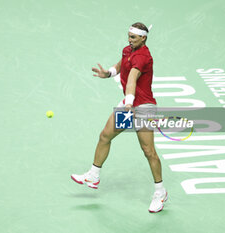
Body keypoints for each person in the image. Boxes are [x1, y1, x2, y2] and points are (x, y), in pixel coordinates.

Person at [71, 22, 168, 213]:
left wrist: (129, 103)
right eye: (129, 35)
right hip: (130, 104)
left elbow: (132, 79)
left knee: (148, 151)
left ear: (143, 38)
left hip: (142, 107)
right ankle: (93, 175)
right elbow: (122, 65)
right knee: (105, 136)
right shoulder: (128, 50)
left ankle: (160, 192)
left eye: (133, 37)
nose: (129, 39)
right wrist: (108, 73)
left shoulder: (143, 56)